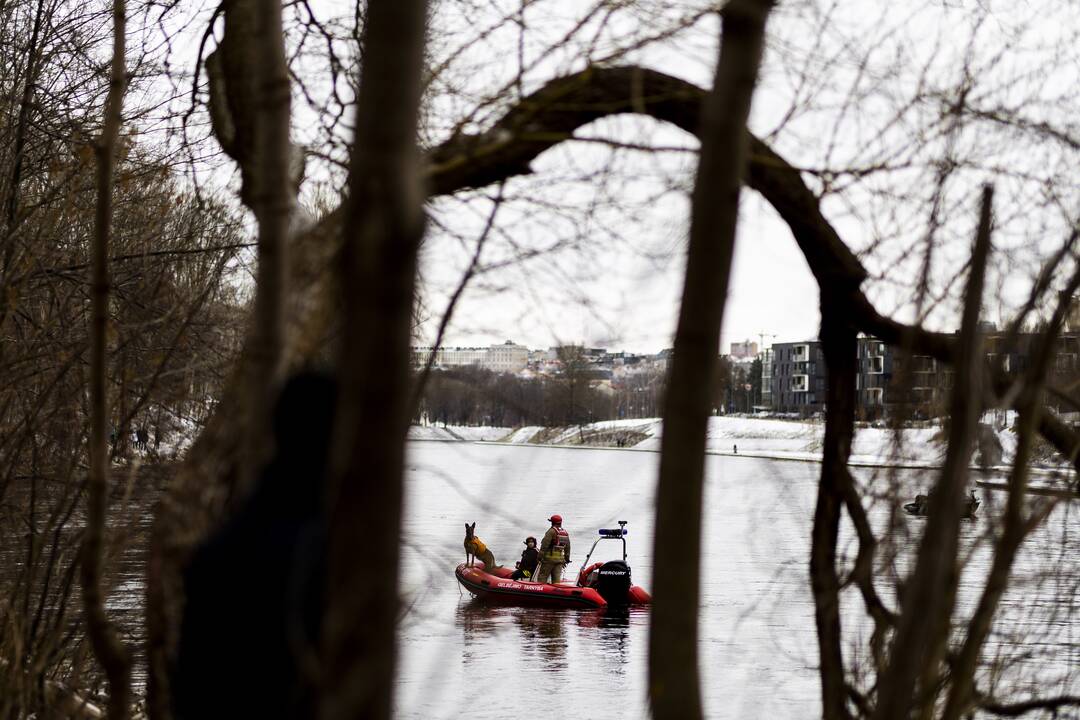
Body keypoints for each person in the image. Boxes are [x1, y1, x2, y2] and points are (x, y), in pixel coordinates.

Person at [534, 515, 571, 584]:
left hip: (548, 560)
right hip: (560, 561)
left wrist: (539, 557)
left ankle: (540, 593)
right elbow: (568, 547)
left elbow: (544, 546)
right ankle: (556, 593)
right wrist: (566, 558)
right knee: (556, 581)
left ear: (552, 522)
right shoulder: (565, 532)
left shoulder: (551, 532)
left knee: (542, 577)